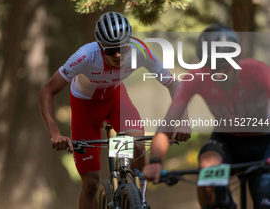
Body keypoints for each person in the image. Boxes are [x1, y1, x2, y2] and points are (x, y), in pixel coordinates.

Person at [38, 12, 189, 209]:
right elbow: (47, 91)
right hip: (85, 107)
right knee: (90, 184)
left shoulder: (139, 51)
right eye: (111, 50)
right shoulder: (85, 56)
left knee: (137, 146)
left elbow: (173, 85)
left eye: (122, 48)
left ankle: (138, 200)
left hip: (115, 99)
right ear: (100, 47)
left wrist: (184, 121)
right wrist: (55, 134)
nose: (118, 55)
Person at [143, 24, 270, 209]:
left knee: (264, 202)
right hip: (225, 141)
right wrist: (155, 162)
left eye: (225, 68)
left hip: (264, 141)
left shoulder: (258, 71)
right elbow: (166, 126)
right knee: (207, 168)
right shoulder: (197, 76)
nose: (220, 75)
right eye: (213, 69)